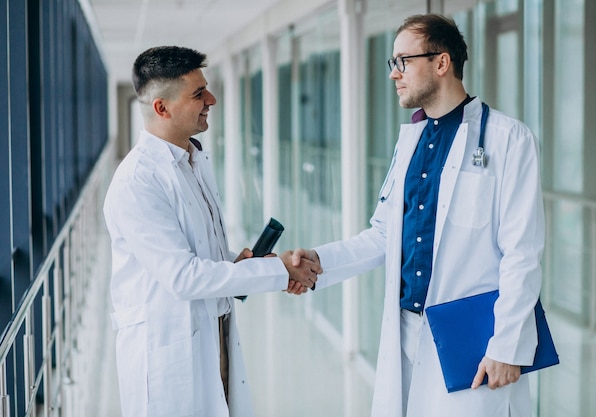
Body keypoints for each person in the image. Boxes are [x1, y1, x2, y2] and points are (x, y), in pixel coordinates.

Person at [290, 13, 545, 417]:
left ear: (441, 63)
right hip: (406, 329)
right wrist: (320, 262)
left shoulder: (508, 138)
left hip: (473, 339)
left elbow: (522, 252)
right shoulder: (410, 139)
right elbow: (384, 234)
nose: (394, 74)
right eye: (393, 63)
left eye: (402, 62)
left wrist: (507, 345)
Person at [103, 46, 319, 417]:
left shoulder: (193, 161)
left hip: (212, 336)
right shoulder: (137, 182)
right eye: (198, 93)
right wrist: (277, 271)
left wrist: (238, 263)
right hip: (169, 355)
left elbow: (198, 255)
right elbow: (184, 277)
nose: (211, 100)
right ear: (162, 108)